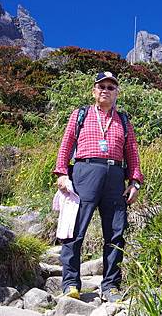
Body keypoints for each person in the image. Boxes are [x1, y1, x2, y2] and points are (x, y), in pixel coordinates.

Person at [53, 71, 143, 303]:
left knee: (116, 233)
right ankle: (71, 283)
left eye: (110, 87)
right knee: (74, 230)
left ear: (117, 93)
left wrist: (135, 181)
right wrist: (62, 172)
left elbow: (132, 152)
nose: (105, 90)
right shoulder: (80, 114)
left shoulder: (123, 120)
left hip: (115, 177)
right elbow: (66, 144)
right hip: (85, 172)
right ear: (94, 91)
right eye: (101, 86)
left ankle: (111, 286)